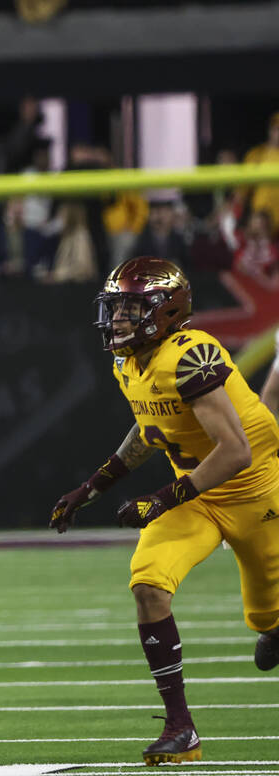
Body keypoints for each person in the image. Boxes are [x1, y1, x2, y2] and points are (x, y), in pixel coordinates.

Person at [48, 256, 279, 765]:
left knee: (269, 618)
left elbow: (236, 450)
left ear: (166, 310)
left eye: (130, 308)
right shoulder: (128, 363)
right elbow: (151, 428)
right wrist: (93, 486)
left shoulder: (192, 354)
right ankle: (181, 729)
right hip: (195, 497)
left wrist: (164, 499)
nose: (118, 320)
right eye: (117, 308)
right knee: (148, 584)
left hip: (255, 494)